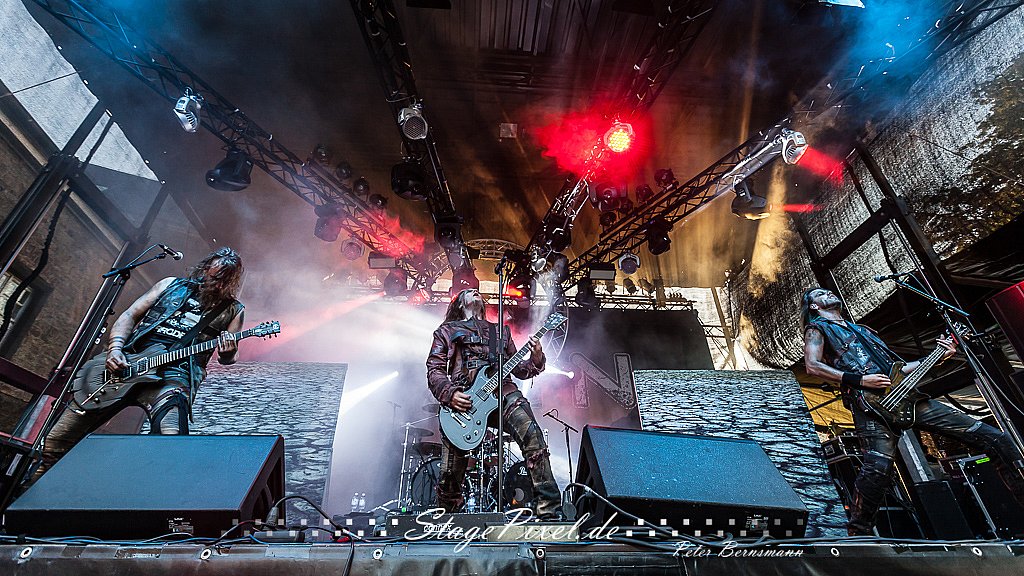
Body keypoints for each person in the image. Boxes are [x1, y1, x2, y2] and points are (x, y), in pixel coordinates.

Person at [801, 286, 1024, 536]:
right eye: (820, 294)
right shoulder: (817, 329)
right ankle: (859, 532)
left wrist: (938, 356)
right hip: (871, 403)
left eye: (829, 290)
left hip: (906, 397)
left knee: (994, 438)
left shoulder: (863, 331)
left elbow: (898, 369)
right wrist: (859, 380)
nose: (829, 293)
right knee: (877, 468)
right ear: (814, 306)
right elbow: (812, 366)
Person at [34, 247, 245, 479]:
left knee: (171, 437)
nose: (214, 283)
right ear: (204, 269)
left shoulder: (233, 310)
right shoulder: (170, 285)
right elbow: (129, 315)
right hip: (130, 362)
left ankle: (150, 488)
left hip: (174, 374)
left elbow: (229, 358)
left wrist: (228, 353)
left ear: (231, 282)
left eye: (221, 280)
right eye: (212, 276)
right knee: (55, 442)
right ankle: (33, 489)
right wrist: (115, 349)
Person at [426, 288, 562, 519]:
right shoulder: (447, 331)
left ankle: (549, 511)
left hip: (504, 392)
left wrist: (537, 357)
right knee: (450, 471)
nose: (475, 291)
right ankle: (445, 520)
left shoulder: (500, 331)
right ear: (459, 303)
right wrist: (450, 394)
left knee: (533, 436)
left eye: (477, 291)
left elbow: (520, 370)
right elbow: (434, 369)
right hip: (465, 399)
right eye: (468, 291)